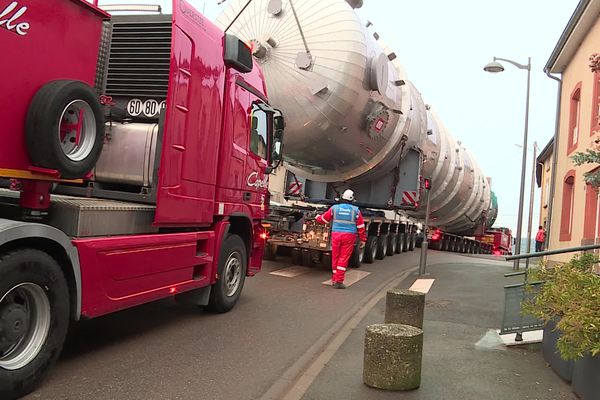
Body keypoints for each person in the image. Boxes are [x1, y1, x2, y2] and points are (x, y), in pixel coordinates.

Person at [315, 189, 367, 289]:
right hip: (349, 236)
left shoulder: (335, 208)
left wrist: (317, 217)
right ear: (352, 199)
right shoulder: (356, 210)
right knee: (343, 258)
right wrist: (363, 239)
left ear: (342, 197)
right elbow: (361, 227)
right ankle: (339, 281)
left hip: (336, 235)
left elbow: (324, 219)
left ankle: (335, 279)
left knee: (335, 257)